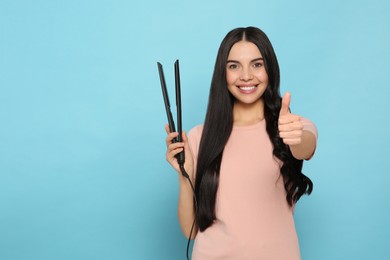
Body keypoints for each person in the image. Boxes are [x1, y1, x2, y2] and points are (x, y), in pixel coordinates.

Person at [165, 26, 318, 260]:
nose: (246, 75)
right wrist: (185, 174)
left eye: (257, 64)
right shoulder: (198, 137)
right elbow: (191, 230)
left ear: (270, 69)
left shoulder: (292, 127)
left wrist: (295, 139)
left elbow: (305, 146)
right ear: (222, 73)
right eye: (234, 66)